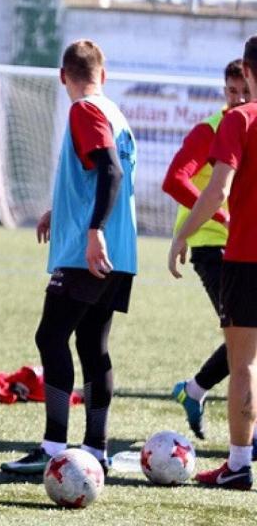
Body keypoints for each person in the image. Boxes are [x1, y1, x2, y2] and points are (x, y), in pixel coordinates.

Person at [2, 40, 137, 478]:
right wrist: (62, 211)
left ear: (63, 76)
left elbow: (111, 170)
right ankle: (95, 448)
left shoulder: (85, 111)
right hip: (120, 249)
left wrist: (92, 230)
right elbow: (100, 174)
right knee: (91, 345)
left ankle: (53, 446)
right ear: (105, 72)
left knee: (50, 337)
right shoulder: (115, 111)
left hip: (88, 250)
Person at [169, 34, 257, 490]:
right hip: (232, 253)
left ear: (246, 69)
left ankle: (239, 464)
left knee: (243, 364)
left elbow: (219, 188)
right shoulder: (220, 121)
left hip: (245, 255)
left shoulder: (239, 120)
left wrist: (182, 235)